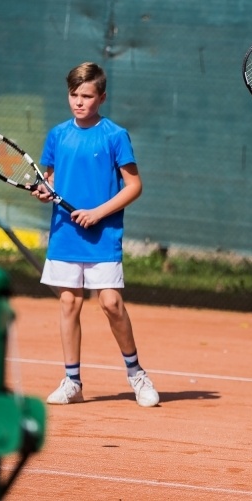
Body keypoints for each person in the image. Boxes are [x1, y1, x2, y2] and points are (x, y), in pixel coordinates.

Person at [32, 62, 159, 407]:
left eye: (87, 96)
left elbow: (134, 186)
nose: (79, 102)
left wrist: (98, 213)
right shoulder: (58, 135)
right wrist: (46, 190)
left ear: (101, 97)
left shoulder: (115, 135)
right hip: (65, 233)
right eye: (74, 95)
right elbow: (52, 180)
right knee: (69, 301)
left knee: (110, 303)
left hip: (103, 233)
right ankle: (72, 381)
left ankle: (136, 374)